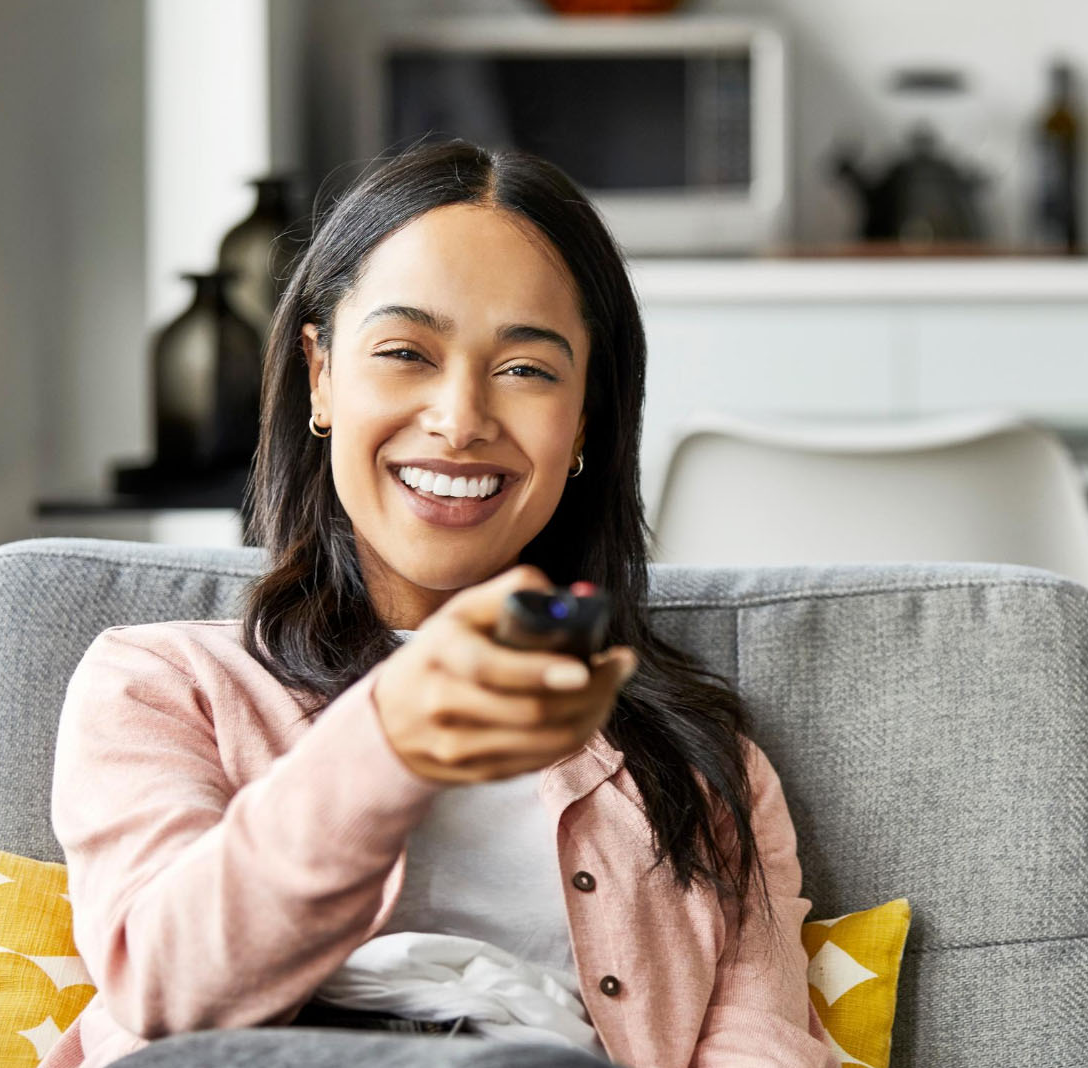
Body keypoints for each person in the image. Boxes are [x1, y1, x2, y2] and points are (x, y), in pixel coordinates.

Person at [41, 141, 840, 1068]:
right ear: (322, 375)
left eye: (528, 369)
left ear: (586, 416)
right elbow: (169, 988)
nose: (461, 419)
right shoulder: (163, 684)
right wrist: (389, 736)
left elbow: (764, 1047)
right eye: (404, 353)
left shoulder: (701, 765)